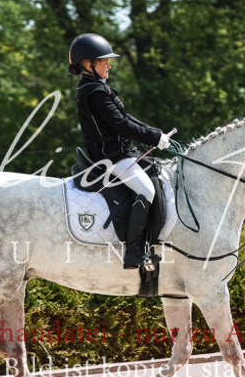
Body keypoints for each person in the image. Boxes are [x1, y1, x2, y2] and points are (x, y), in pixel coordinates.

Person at [68, 33, 171, 271]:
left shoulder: (99, 88)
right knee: (145, 190)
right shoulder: (93, 93)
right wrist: (153, 137)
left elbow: (126, 118)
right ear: (88, 65)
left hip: (124, 152)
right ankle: (134, 251)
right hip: (112, 158)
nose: (109, 65)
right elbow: (120, 124)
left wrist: (155, 133)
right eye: (104, 61)